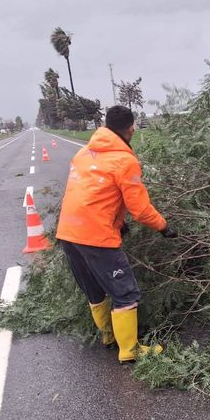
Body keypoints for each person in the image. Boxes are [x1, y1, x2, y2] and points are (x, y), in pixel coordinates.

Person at [55, 105, 177, 362]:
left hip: (68, 232)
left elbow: (90, 193)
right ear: (131, 128)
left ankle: (109, 336)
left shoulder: (83, 153)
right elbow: (141, 210)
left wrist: (117, 220)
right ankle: (130, 351)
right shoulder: (124, 160)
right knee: (125, 292)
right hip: (96, 236)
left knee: (94, 289)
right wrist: (164, 227)